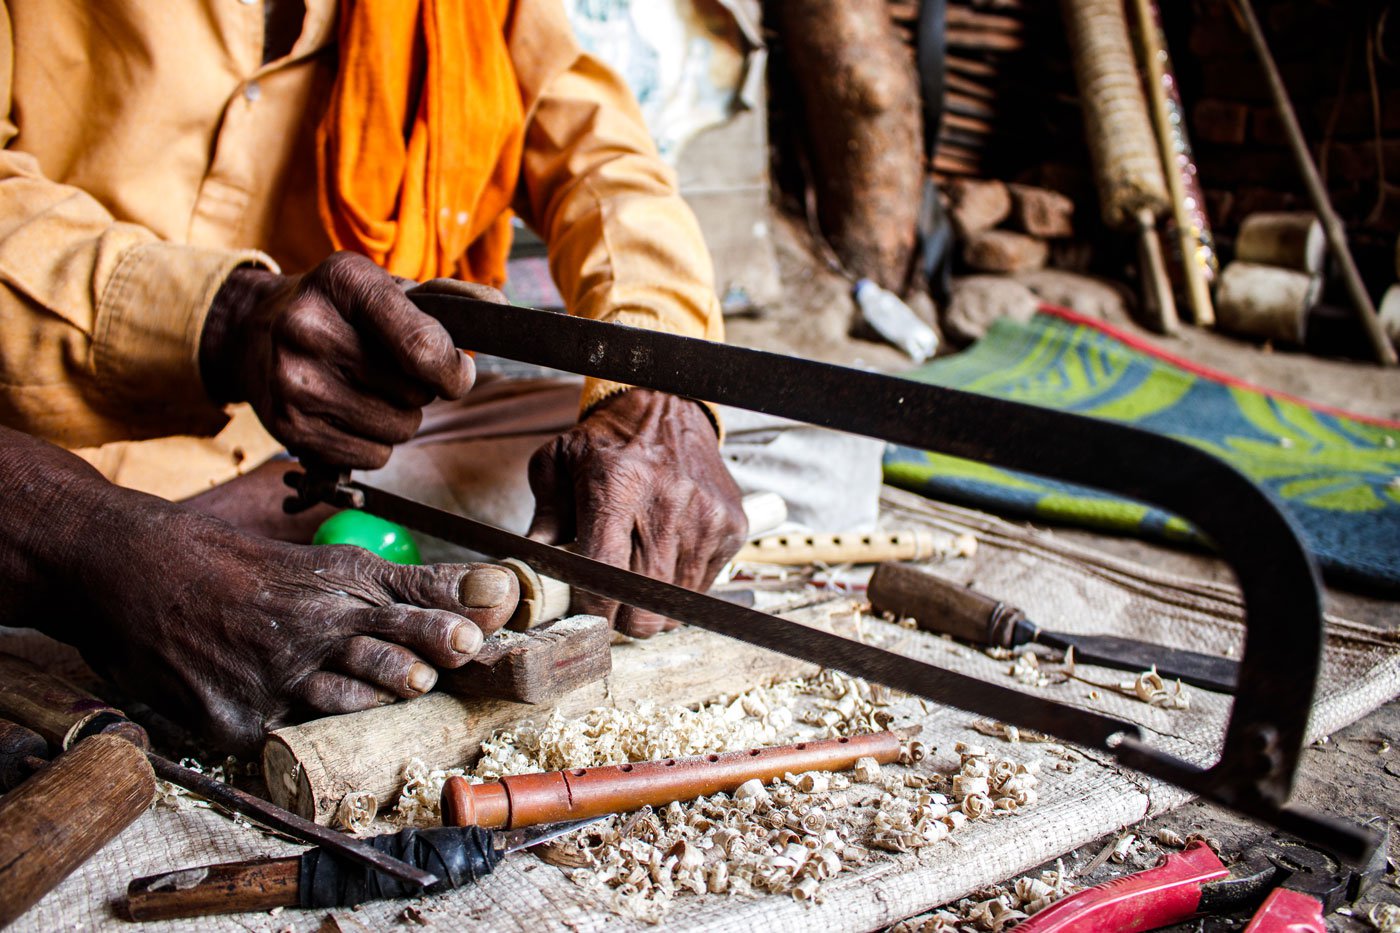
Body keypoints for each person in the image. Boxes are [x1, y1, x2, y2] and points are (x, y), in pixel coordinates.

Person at [0, 1, 745, 741]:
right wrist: (222, 320)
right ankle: (195, 543)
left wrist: (656, 391)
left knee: (760, 449)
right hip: (50, 454)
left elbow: (608, 167)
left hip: (332, 449)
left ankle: (278, 526)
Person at [0, 424, 520, 751]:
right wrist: (95, 538)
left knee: (513, 474)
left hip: (282, 442)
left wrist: (605, 409)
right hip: (79, 451)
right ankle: (112, 538)